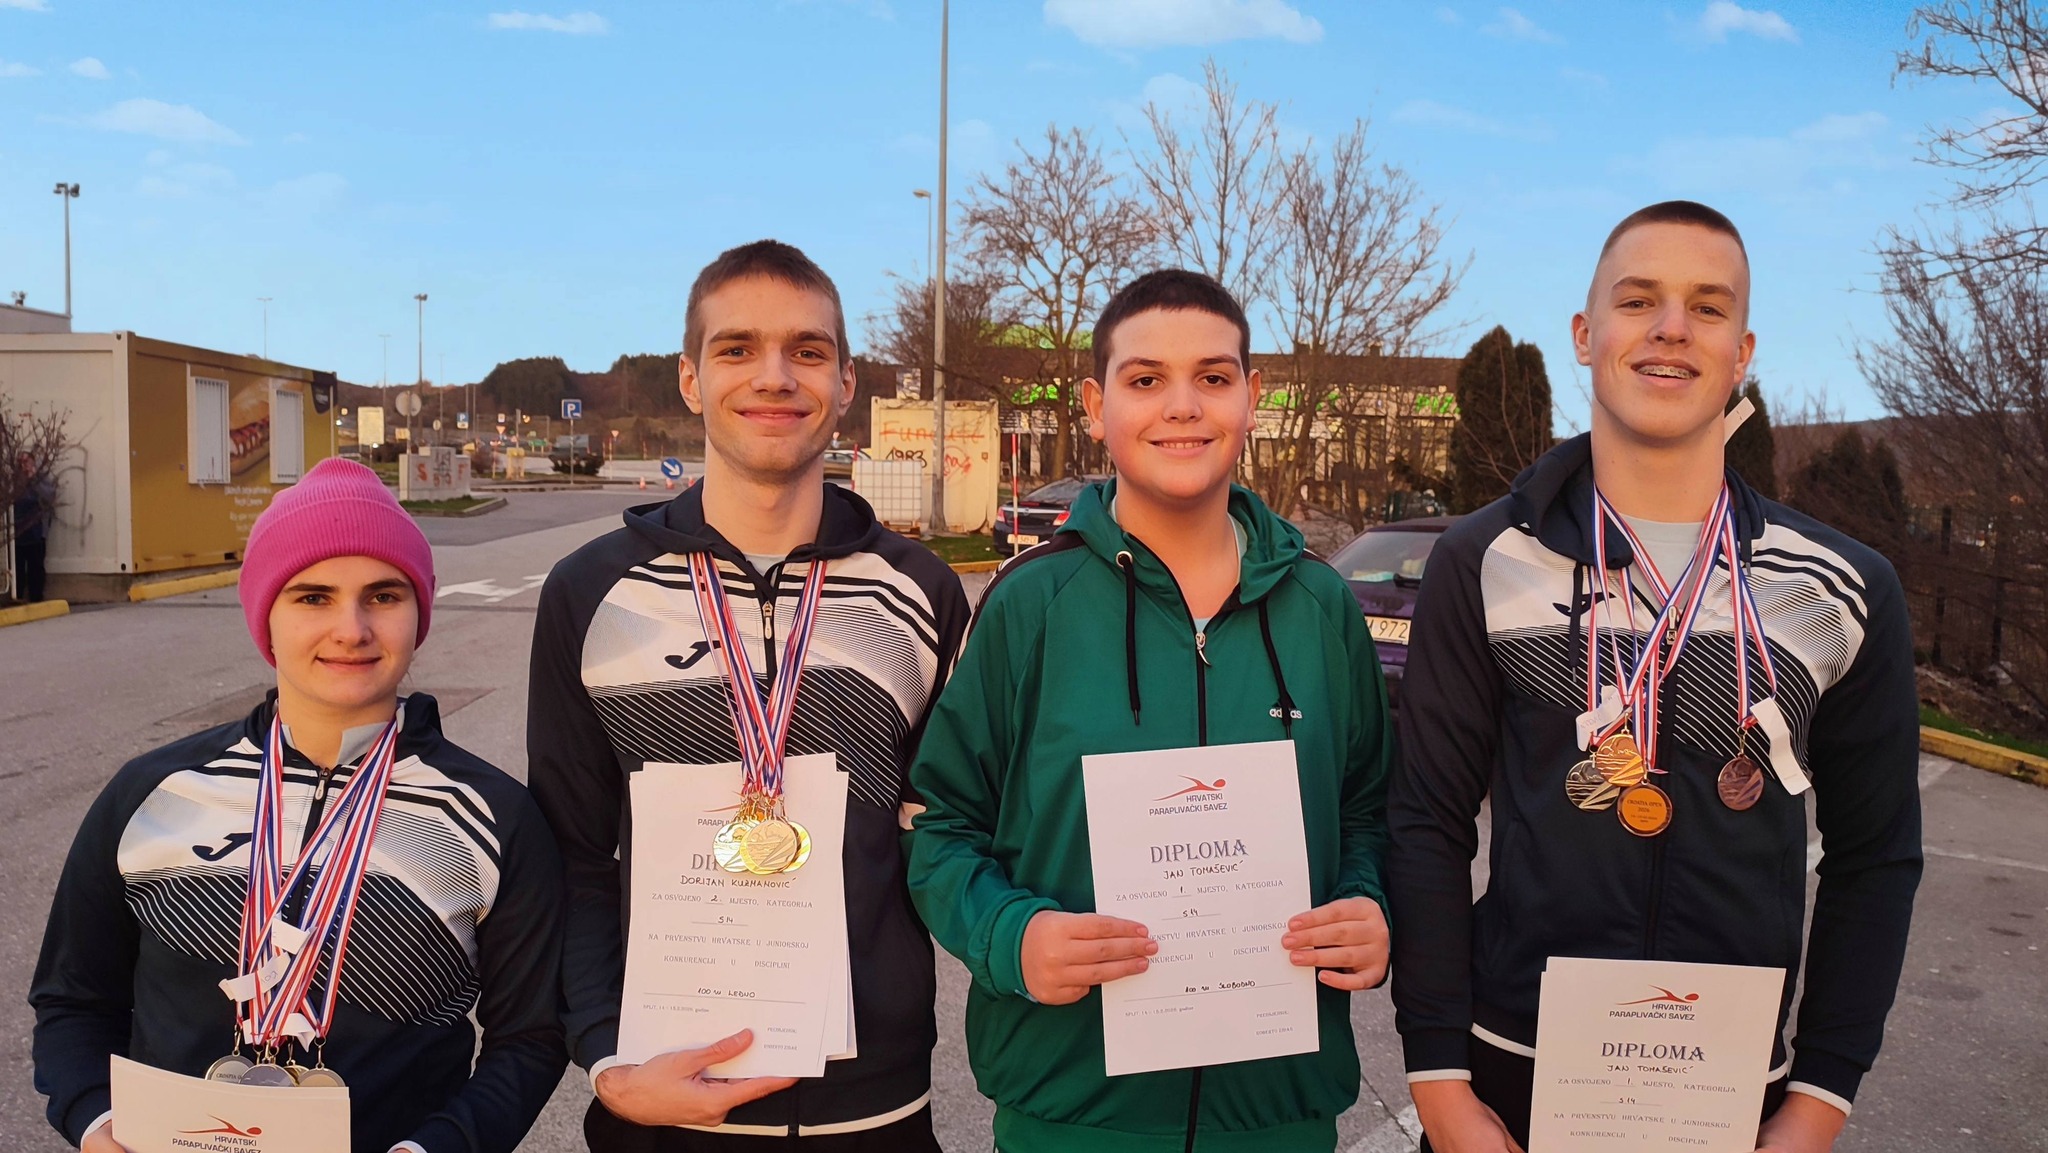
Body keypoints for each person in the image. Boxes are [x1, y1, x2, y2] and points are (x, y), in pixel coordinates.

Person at [1387, 201, 1922, 1153]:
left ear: (1741, 351)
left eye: (1707, 307)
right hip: (1507, 1079)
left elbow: (1875, 857)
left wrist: (1821, 1097)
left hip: (1733, 1094)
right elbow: (1426, 821)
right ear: (1585, 335)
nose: (1672, 327)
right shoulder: (1485, 559)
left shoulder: (1842, 586)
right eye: (1638, 300)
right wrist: (1439, 1083)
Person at [907, 269, 1394, 1153]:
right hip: (1072, 1118)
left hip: (1277, 1118)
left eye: (1212, 376)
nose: (1182, 406)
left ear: (1252, 397)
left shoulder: (1323, 609)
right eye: (1145, 379)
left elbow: (1371, 811)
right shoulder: (1030, 604)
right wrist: (1012, 936)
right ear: (1097, 406)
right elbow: (938, 826)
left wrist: (1367, 904)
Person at [528, 239, 970, 1151]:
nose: (774, 376)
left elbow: (948, 834)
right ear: (690, 379)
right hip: (661, 1104)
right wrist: (607, 1057)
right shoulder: (593, 591)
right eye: (737, 349)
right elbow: (572, 856)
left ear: (845, 382)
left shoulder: (920, 592)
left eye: (807, 350)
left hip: (876, 1110)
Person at [30, 456, 567, 1153]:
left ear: (419, 613)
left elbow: (528, 1037)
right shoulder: (152, 793)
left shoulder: (494, 816)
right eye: (313, 597)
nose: (352, 628)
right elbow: (74, 1001)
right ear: (266, 615)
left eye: (384, 595)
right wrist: (95, 1122)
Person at [12, 453, 55, 603]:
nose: (24, 465)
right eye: (21, 462)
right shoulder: (14, 481)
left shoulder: (41, 479)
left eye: (27, 461)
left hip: (36, 531)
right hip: (17, 532)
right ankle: (17, 596)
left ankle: (36, 596)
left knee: (36, 568)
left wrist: (34, 479)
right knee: (17, 568)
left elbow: (48, 496)